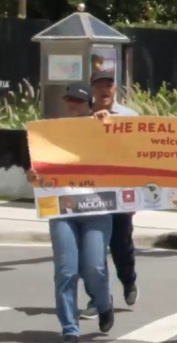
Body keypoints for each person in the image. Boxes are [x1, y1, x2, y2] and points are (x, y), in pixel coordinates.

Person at [27, 82, 114, 343]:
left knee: (95, 268)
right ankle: (69, 329)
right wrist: (33, 176)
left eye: (78, 100)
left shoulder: (103, 126)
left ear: (89, 104)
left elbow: (127, 145)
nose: (72, 104)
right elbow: (39, 171)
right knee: (66, 271)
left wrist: (106, 124)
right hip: (62, 208)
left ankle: (103, 302)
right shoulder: (52, 132)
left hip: (97, 209)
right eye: (69, 100)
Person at [81, 69, 140, 320]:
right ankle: (98, 298)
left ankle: (128, 280)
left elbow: (139, 154)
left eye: (109, 85)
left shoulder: (129, 117)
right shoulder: (81, 117)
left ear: (115, 89)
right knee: (91, 250)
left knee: (120, 244)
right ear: (93, 89)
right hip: (88, 193)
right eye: (99, 85)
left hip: (118, 193)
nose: (104, 89)